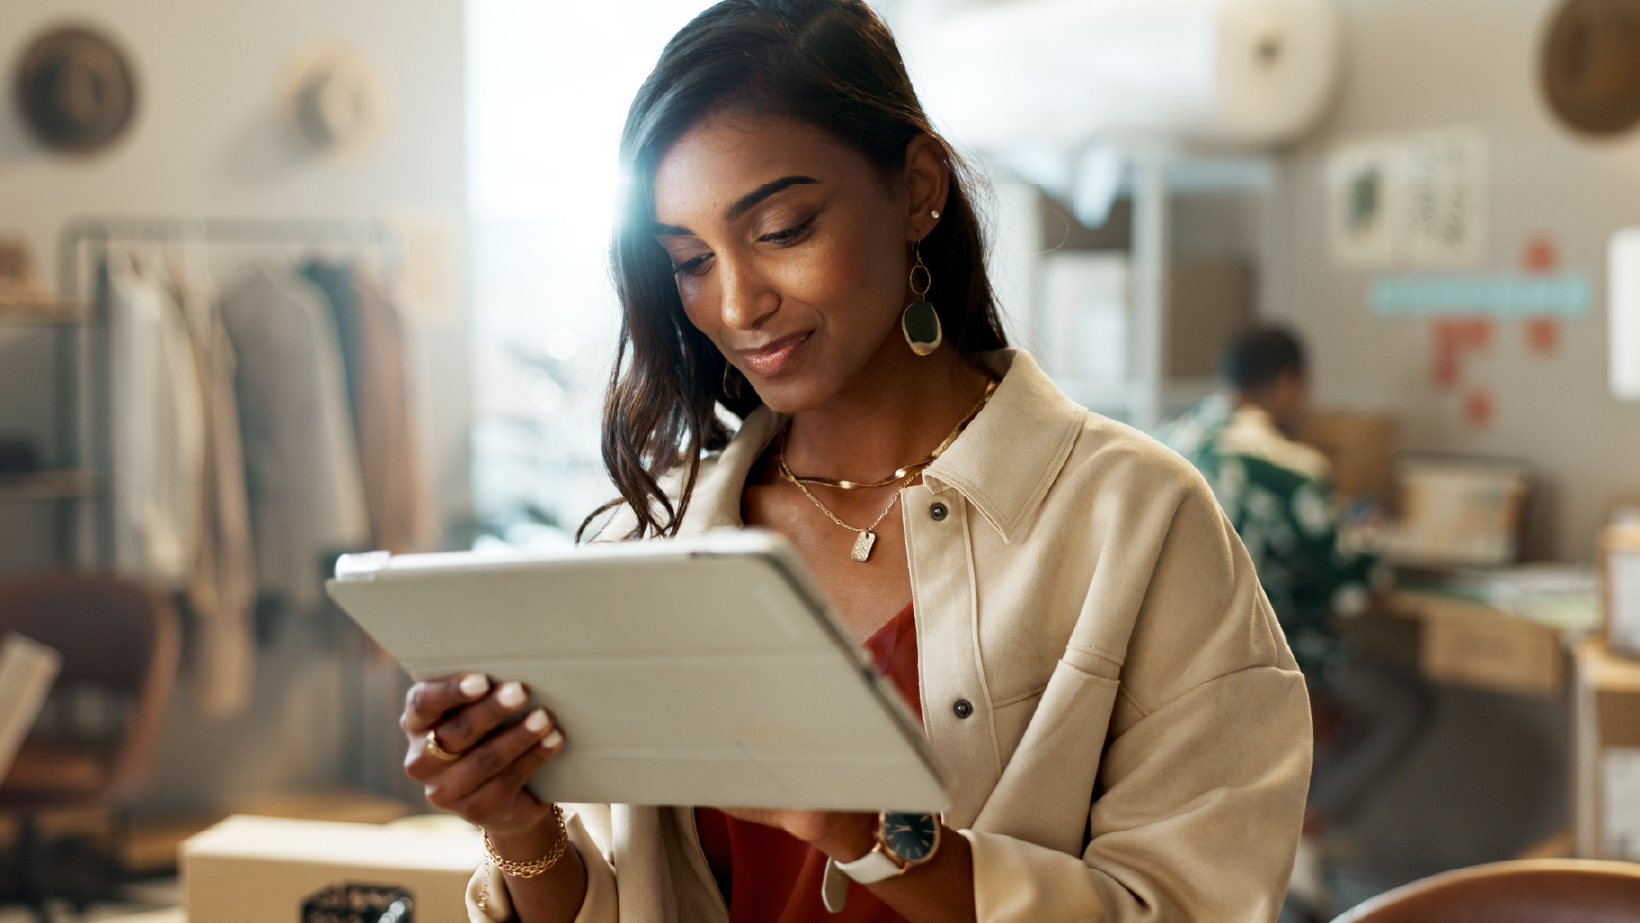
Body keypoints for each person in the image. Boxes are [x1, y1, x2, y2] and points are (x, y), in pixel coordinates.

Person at [399, 3, 1311, 922]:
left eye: (784, 229)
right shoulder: (663, 534)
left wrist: (872, 832)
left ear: (918, 188)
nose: (737, 302)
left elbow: (1197, 904)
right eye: (688, 261)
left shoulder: (1136, 522)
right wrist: (520, 827)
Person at [1156, 328, 1428, 859]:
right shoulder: (1289, 467)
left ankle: (1285, 824)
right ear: (1289, 383)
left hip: (1172, 662)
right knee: (1404, 705)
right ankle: (1303, 822)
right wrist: (1365, 539)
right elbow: (1349, 589)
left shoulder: (1164, 444)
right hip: (1264, 657)